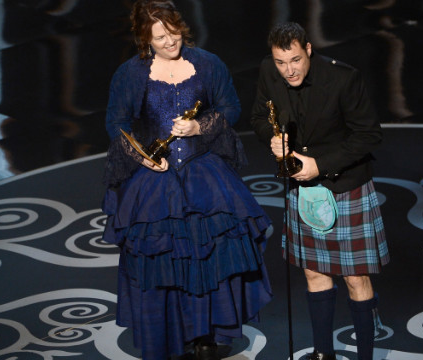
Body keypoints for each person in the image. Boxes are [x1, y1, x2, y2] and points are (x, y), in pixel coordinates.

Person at [101, 1, 273, 359]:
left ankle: (205, 337)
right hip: (156, 180)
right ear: (145, 39)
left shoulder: (207, 64)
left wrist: (199, 126)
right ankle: (170, 336)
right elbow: (115, 123)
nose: (169, 42)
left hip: (203, 174)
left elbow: (230, 108)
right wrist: (141, 157)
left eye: (173, 32)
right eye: (159, 37)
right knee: (163, 259)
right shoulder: (131, 74)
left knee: (206, 256)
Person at [250, 22, 390, 360]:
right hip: (302, 188)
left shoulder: (343, 78)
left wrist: (320, 164)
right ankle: (323, 354)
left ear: (308, 49)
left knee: (355, 278)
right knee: (314, 272)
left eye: (295, 60)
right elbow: (259, 116)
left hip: (344, 185)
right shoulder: (270, 70)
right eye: (282, 63)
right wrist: (272, 139)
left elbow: (368, 135)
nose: (288, 70)